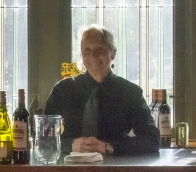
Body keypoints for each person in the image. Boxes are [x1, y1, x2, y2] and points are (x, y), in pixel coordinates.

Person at [44, 24, 160, 156]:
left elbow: (152, 141)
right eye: (87, 50)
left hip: (115, 171)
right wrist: (70, 145)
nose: (93, 56)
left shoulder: (130, 93)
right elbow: (43, 137)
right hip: (69, 170)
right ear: (81, 54)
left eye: (100, 50)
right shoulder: (63, 89)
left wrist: (108, 147)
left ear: (113, 54)